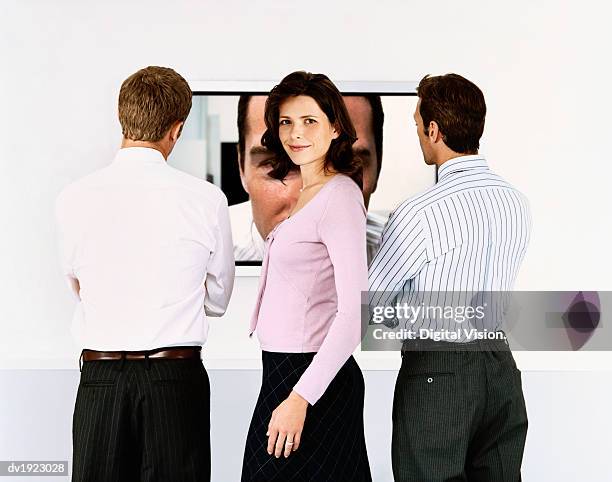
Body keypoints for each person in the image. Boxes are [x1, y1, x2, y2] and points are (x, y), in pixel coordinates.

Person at [55, 66, 235, 482]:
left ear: (123, 117)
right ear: (177, 129)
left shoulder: (73, 198)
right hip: (174, 378)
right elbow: (219, 298)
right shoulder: (207, 199)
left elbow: (76, 286)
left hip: (100, 380)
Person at [369, 73, 531, 481]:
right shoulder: (517, 203)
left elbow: (374, 303)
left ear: (435, 130)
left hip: (437, 370)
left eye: (418, 127)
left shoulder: (417, 212)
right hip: (499, 366)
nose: (420, 136)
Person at [241, 71, 372, 482]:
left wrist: (300, 398)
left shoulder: (341, 196)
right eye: (285, 122)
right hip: (282, 373)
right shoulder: (309, 193)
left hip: (313, 381)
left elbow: (354, 315)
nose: (295, 133)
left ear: (335, 127)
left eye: (309, 121)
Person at [230, 93, 384, 262]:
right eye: (278, 166)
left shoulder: (407, 258)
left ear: (378, 166)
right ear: (241, 167)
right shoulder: (204, 253)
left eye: (342, 164)